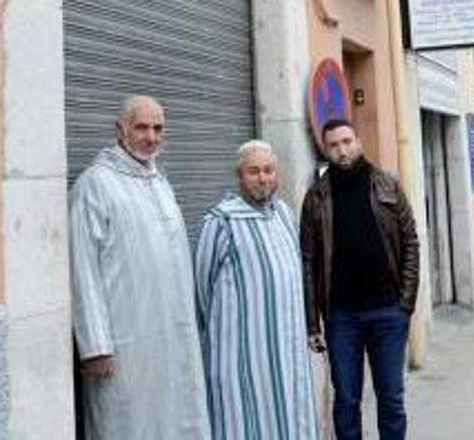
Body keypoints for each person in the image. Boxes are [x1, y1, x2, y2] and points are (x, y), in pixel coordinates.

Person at [69, 95, 210, 439]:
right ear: (120, 130)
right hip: (125, 342)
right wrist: (95, 346)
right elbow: (82, 267)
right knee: (129, 422)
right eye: (141, 127)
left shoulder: (160, 181)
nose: (151, 137)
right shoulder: (96, 184)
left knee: (176, 419)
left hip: (172, 335)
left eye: (158, 129)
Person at [300, 119, 420, 440]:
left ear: (358, 141)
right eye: (334, 145)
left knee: (391, 398)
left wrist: (405, 303)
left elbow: (410, 241)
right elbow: (308, 262)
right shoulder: (316, 198)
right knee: (346, 401)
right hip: (342, 317)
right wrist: (313, 323)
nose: (342, 150)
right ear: (325, 150)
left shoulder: (388, 185)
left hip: (388, 312)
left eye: (347, 141)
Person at [194, 140, 318, 440]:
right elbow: (201, 290)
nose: (263, 178)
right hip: (244, 358)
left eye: (268, 170)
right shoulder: (221, 222)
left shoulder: (285, 216)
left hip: (288, 351)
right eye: (254, 171)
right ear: (239, 176)